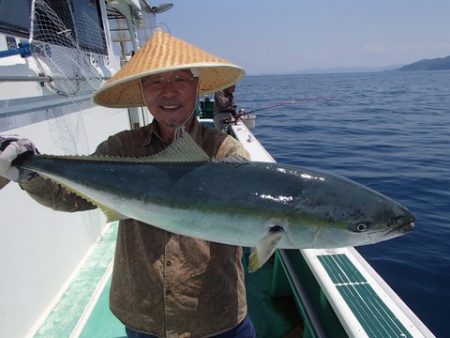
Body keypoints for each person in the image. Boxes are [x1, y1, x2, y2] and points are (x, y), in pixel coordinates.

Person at [0, 30, 255, 338]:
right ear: (142, 90)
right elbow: (70, 198)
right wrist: (29, 172)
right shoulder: (120, 149)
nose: (168, 92)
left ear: (197, 86)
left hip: (215, 316)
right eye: (155, 82)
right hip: (142, 314)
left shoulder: (226, 153)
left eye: (180, 80)